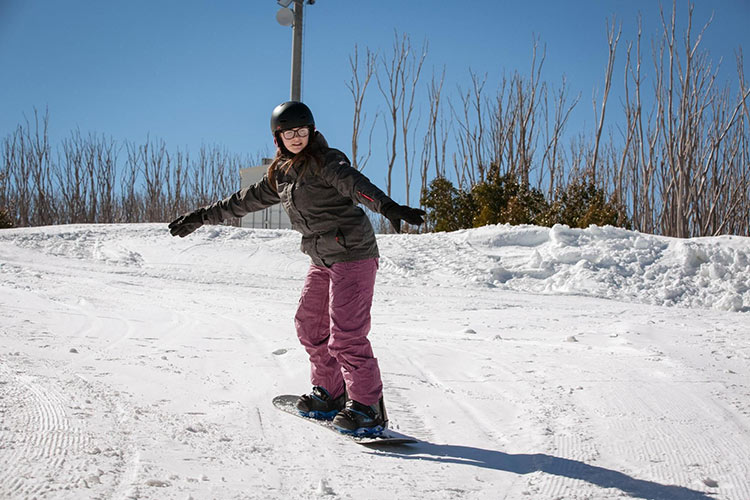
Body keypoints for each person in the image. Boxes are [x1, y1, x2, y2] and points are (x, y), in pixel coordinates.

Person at [168, 101, 425, 436]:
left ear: (311, 131)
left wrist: (387, 205)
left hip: (354, 254)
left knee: (347, 333)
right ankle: (330, 393)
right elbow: (242, 201)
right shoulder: (282, 175)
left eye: (301, 132)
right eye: (289, 133)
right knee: (309, 325)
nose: (296, 138)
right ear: (278, 138)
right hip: (321, 258)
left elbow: (353, 182)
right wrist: (200, 216)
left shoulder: (326, 162)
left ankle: (367, 407)